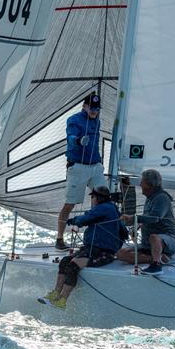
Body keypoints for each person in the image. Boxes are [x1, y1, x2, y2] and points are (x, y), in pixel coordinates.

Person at [38, 186, 126, 309]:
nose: (92, 199)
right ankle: (55, 294)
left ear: (97, 198)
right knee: (65, 261)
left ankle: (62, 300)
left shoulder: (104, 208)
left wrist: (73, 220)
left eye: (92, 196)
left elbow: (85, 219)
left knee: (73, 265)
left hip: (103, 252)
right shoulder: (111, 208)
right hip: (92, 249)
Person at [56, 92, 106, 251]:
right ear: (84, 106)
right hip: (78, 167)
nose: (94, 111)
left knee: (104, 199)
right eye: (92, 108)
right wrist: (78, 140)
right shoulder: (74, 120)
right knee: (70, 204)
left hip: (95, 166)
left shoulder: (97, 121)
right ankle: (59, 239)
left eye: (97, 109)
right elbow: (70, 136)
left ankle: (96, 237)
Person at [116, 169, 175, 275]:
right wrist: (139, 224)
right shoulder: (150, 198)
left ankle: (156, 265)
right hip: (148, 245)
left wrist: (134, 218)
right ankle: (158, 258)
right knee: (121, 253)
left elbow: (155, 217)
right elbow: (149, 217)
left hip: (168, 240)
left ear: (150, 185)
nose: (140, 184)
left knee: (154, 237)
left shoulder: (162, 198)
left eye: (142, 182)